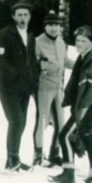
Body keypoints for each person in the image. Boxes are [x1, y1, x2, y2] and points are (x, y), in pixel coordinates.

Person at [52, 24, 92, 183]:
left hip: (88, 107)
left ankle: (68, 175)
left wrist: (80, 113)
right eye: (77, 40)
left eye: (83, 41)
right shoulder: (84, 57)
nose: (79, 44)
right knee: (89, 138)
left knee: (64, 136)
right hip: (88, 106)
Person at [0, 1, 36, 171]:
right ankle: (13, 159)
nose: (22, 18)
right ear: (13, 17)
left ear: (30, 17)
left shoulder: (30, 35)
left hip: (25, 88)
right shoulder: (5, 34)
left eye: (25, 15)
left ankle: (12, 158)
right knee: (16, 120)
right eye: (19, 15)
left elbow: (31, 61)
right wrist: (17, 75)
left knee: (21, 122)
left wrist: (33, 81)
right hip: (8, 87)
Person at [33, 11, 70, 168]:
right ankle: (38, 155)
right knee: (42, 122)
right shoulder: (37, 42)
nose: (54, 28)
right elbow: (32, 63)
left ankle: (55, 154)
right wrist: (40, 65)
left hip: (58, 88)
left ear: (60, 27)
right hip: (44, 88)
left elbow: (65, 61)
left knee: (61, 123)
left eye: (57, 25)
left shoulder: (61, 42)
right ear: (45, 26)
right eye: (50, 25)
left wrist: (80, 66)